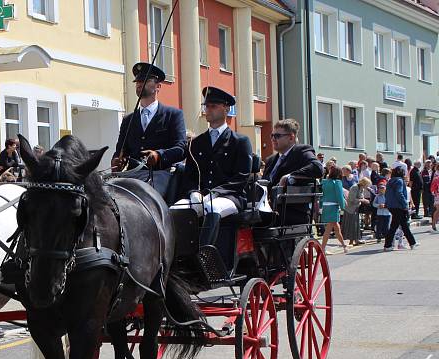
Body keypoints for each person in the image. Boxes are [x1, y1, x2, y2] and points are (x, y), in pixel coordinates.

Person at [173, 86, 253, 246]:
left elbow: (241, 177)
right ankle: (179, 258)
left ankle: (205, 256)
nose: (208, 109)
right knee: (175, 210)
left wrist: (215, 193)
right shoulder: (196, 143)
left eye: (213, 106)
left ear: (226, 109)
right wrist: (193, 192)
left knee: (212, 207)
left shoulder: (240, 141)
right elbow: (190, 175)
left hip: (231, 197)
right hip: (200, 195)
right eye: (206, 106)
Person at [111, 62, 186, 188]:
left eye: (146, 80)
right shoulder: (128, 120)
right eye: (138, 81)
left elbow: (181, 148)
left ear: (158, 86)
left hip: (160, 174)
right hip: (131, 175)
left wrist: (159, 155)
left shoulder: (173, 115)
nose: (140, 84)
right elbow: (121, 150)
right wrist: (117, 160)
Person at [262, 119, 323, 226]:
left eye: (277, 136)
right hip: (269, 211)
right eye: (272, 136)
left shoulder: (301, 151)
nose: (273, 139)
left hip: (292, 214)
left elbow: (317, 168)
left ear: (291, 137)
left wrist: (290, 177)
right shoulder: (271, 160)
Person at [383, 166, 417, 251]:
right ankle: (412, 243)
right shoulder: (399, 181)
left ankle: (411, 243)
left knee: (396, 225)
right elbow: (399, 193)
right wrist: (405, 204)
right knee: (402, 225)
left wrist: (387, 204)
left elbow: (387, 194)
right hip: (399, 206)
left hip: (391, 206)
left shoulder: (390, 181)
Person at [320, 167, 347, 253]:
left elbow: (321, 195)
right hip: (333, 207)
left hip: (325, 206)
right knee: (329, 229)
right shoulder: (337, 182)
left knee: (336, 228)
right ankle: (322, 248)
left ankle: (344, 246)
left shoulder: (324, 182)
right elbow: (339, 196)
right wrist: (343, 207)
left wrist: (321, 206)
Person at [342, 177, 371, 246]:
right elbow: (352, 199)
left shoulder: (361, 188)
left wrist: (363, 199)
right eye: (367, 185)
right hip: (350, 209)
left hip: (356, 209)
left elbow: (360, 197)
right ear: (364, 184)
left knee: (356, 225)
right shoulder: (355, 187)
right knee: (352, 225)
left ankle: (356, 240)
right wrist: (362, 200)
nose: (367, 186)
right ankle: (351, 241)